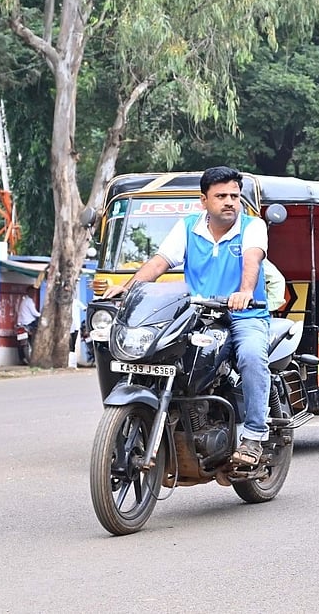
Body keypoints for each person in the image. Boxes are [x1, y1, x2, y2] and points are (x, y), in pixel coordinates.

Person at [104, 166, 272, 467]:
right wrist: (128, 288)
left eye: (234, 195)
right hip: (199, 315)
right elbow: (159, 263)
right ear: (204, 200)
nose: (230, 201)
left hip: (246, 314)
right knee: (164, 356)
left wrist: (245, 291)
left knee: (250, 356)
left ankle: (254, 436)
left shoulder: (253, 226)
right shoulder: (187, 227)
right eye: (221, 196)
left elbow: (252, 260)